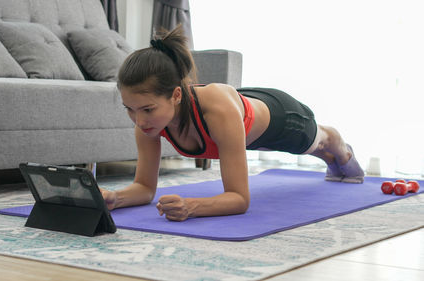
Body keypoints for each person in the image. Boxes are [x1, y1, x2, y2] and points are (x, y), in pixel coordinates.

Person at [100, 25, 364, 222]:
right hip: (245, 115)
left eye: (147, 109)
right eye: (130, 110)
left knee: (319, 144)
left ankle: (340, 146)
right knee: (269, 143)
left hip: (283, 118)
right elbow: (145, 189)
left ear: (176, 95)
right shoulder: (147, 120)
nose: (139, 120)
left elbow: (239, 199)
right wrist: (115, 198)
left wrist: (191, 206)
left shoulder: (217, 110)